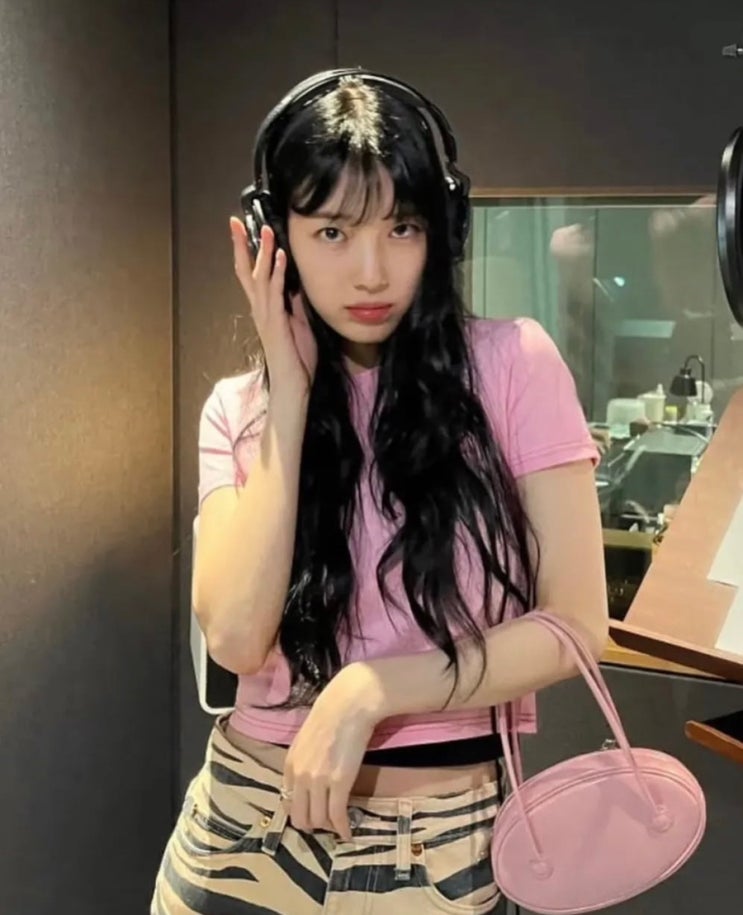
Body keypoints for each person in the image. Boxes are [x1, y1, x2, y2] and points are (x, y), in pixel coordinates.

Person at [150, 68, 609, 915]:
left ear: (442, 229)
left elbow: (576, 627)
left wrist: (372, 689)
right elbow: (239, 638)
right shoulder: (238, 408)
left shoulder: (513, 366)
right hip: (240, 830)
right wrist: (289, 396)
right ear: (273, 237)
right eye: (331, 231)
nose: (371, 272)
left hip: (435, 846)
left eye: (401, 227)